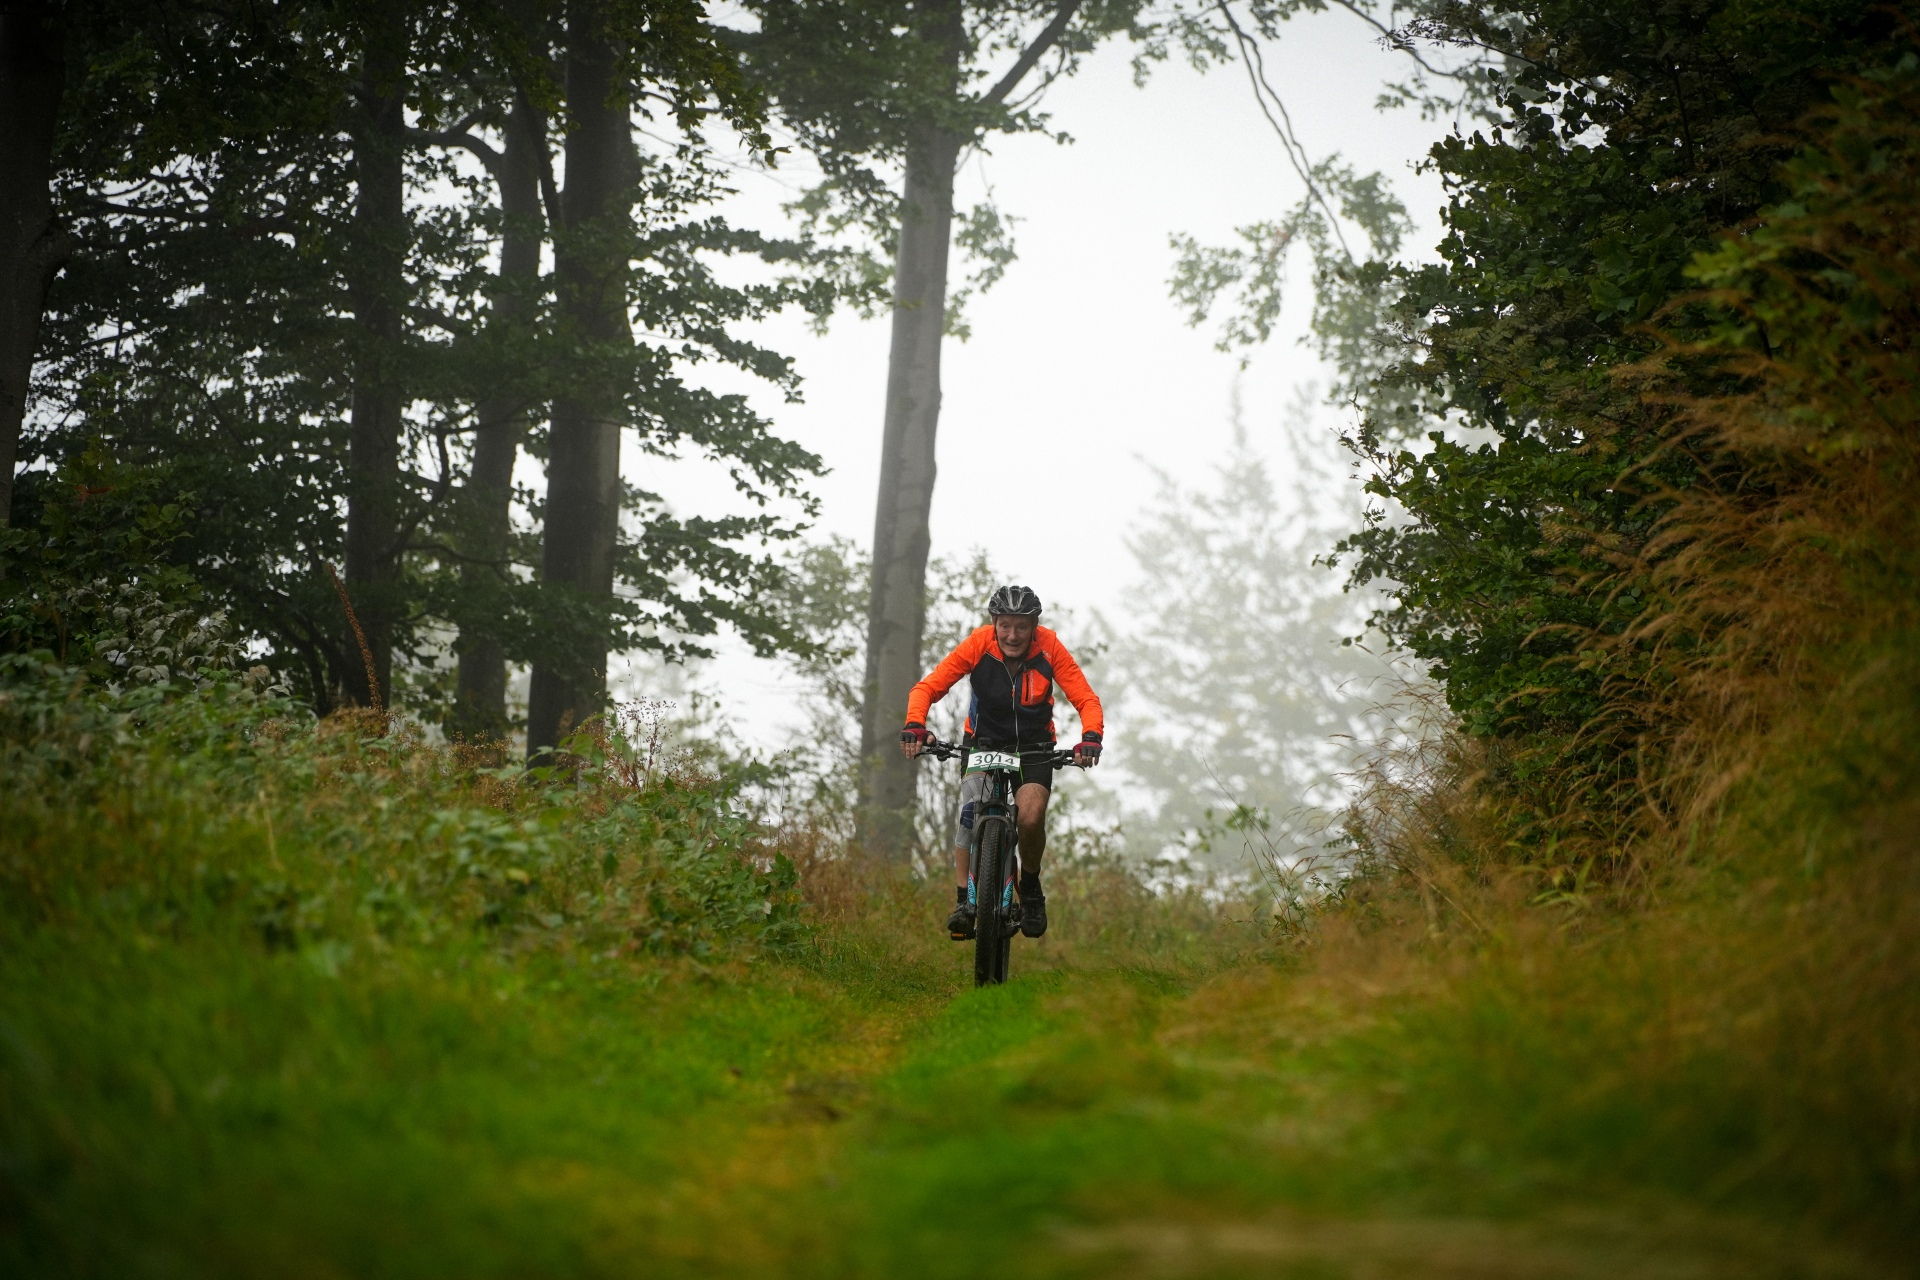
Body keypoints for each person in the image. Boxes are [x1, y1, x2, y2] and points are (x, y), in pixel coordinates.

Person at [899, 584, 1104, 941]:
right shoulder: (979, 644)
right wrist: (916, 724)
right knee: (970, 812)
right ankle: (964, 901)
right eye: (1005, 625)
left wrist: (1090, 737)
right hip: (983, 741)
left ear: (1034, 626)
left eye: (1021, 626)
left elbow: (1085, 698)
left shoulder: (1050, 647)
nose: (1012, 635)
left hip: (1033, 746)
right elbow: (927, 688)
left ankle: (1031, 888)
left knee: (1031, 817)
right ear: (994, 623)